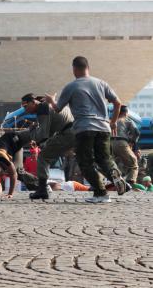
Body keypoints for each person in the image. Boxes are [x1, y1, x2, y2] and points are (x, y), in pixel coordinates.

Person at [45, 56, 126, 203]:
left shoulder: (71, 87)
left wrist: (51, 101)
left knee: (85, 162)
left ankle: (101, 193)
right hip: (104, 127)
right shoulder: (101, 83)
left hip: (84, 128)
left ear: (74, 69)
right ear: (88, 68)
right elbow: (118, 102)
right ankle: (116, 175)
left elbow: (57, 109)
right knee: (105, 159)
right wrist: (113, 122)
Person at [21, 93, 75, 199]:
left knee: (43, 157)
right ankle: (102, 186)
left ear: (33, 102)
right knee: (86, 160)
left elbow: (42, 135)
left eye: (25, 106)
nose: (24, 109)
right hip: (74, 130)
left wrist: (31, 130)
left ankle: (42, 190)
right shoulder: (46, 105)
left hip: (68, 133)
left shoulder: (43, 108)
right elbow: (49, 132)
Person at [0, 131, 39, 198]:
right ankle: (37, 188)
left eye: (1, 172)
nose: (3, 173)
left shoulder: (1, 157)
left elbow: (13, 174)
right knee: (13, 172)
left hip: (15, 140)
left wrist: (10, 194)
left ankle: (42, 185)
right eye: (0, 175)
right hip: (8, 148)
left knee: (18, 171)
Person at [111, 105, 140, 185]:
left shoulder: (112, 121)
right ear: (126, 113)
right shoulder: (127, 120)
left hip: (110, 143)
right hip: (121, 143)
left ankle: (112, 180)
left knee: (112, 164)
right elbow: (136, 132)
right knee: (133, 163)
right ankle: (130, 181)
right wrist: (132, 142)